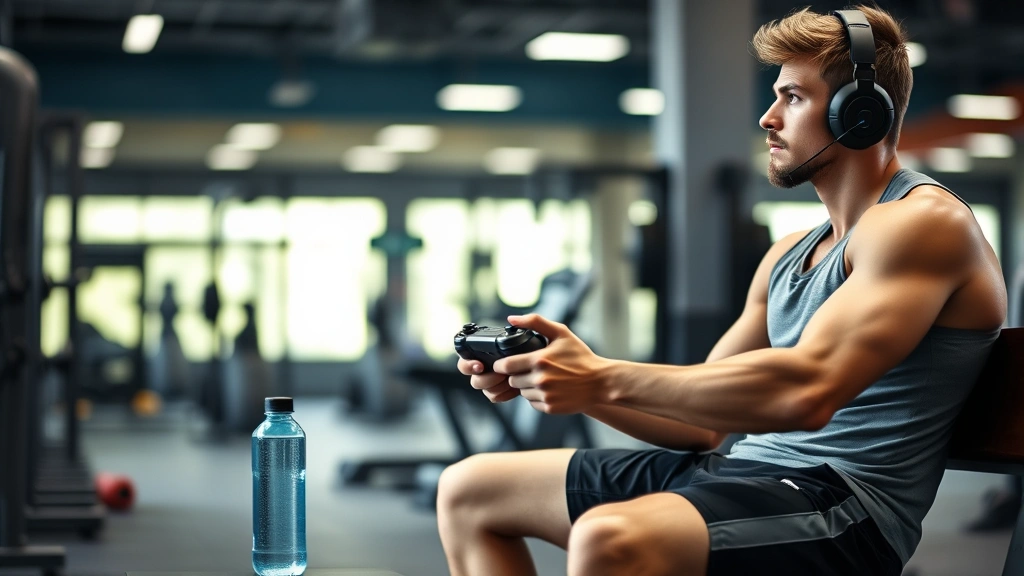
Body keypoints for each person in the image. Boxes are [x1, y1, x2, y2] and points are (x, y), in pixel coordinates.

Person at [438, 6, 1007, 576]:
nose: (767, 117)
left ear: (859, 115)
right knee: (470, 489)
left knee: (611, 538)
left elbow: (808, 390)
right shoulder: (787, 253)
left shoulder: (922, 223)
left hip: (841, 505)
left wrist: (601, 376)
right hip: (739, 471)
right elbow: (701, 427)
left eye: (793, 98)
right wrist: (575, 382)